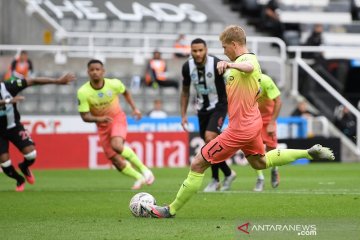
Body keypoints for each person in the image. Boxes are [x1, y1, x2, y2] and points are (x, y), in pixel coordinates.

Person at [144, 25, 334, 218]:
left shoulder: (247, 59)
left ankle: (171, 210)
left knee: (198, 164)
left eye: (225, 47)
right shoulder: (242, 65)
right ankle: (309, 153)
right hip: (251, 124)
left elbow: (249, 66)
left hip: (240, 129)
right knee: (260, 162)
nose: (224, 52)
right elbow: (255, 87)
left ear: (234, 44)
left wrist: (230, 65)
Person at [77, 59, 155, 190]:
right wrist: (99, 119)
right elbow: (84, 116)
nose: (95, 72)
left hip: (117, 118)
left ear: (103, 71)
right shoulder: (83, 92)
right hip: (102, 125)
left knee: (117, 146)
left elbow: (126, 93)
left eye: (98, 69)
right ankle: (138, 177)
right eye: (92, 70)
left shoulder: (114, 84)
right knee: (116, 161)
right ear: (88, 72)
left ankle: (145, 170)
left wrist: (134, 108)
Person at [0, 73, 75, 191]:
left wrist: (57, 81)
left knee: (31, 154)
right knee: (5, 163)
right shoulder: (7, 96)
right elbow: (6, 101)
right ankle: (19, 180)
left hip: (13, 127)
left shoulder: (9, 87)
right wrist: (7, 101)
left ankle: (24, 167)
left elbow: (33, 81)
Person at [181, 38, 236, 192]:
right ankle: (228, 173)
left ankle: (215, 180)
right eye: (195, 51)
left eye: (201, 50)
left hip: (219, 106)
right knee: (209, 144)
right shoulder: (187, 67)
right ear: (191, 51)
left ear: (206, 50)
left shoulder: (216, 64)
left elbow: (231, 82)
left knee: (210, 139)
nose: (198, 54)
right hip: (202, 109)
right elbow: (185, 92)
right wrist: (183, 115)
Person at [253, 73, 282, 192]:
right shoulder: (242, 81)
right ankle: (260, 178)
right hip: (253, 119)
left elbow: (278, 102)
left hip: (268, 119)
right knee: (254, 150)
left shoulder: (265, 80)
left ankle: (274, 170)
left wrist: (272, 122)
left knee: (271, 149)